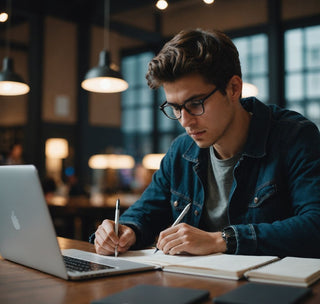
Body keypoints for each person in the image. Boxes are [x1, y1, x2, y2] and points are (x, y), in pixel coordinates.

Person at [91, 28, 320, 258]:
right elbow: (146, 211)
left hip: (273, 288)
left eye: (196, 103)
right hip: (196, 284)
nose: (185, 121)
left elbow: (315, 225)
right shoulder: (181, 150)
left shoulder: (295, 136)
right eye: (175, 108)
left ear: (233, 88)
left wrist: (220, 240)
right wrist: (125, 229)